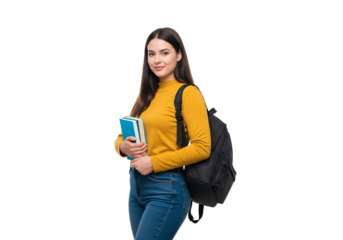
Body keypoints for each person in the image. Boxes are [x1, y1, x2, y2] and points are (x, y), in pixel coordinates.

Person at [113, 25, 211, 240]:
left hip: (167, 189)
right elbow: (120, 136)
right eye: (152, 53)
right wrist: (123, 147)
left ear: (178, 55)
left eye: (164, 53)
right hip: (135, 189)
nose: (157, 60)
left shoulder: (188, 94)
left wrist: (154, 163)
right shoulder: (145, 97)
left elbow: (202, 147)